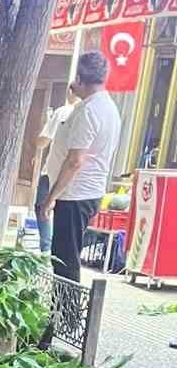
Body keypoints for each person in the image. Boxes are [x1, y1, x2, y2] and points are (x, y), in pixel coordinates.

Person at [39, 50, 121, 284]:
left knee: (65, 260)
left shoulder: (89, 111)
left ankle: (66, 307)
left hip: (76, 195)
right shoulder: (105, 106)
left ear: (80, 79)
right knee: (64, 256)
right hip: (83, 193)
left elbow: (75, 161)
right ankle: (62, 305)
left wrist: (51, 197)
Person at [34, 85, 78, 263]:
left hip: (52, 172)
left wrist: (47, 122)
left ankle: (46, 249)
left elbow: (42, 142)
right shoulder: (87, 113)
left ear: (71, 92)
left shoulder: (63, 112)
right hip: (73, 175)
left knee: (42, 207)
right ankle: (58, 253)